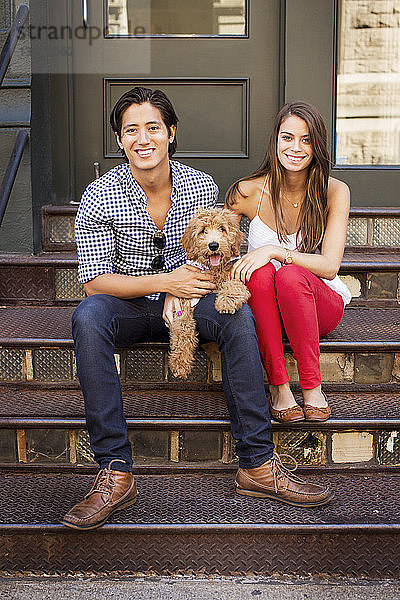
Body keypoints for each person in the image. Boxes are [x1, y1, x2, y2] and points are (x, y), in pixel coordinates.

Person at [61, 89, 333, 531]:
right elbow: (95, 283)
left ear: (171, 133)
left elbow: (219, 257)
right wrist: (166, 284)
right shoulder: (99, 196)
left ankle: (258, 464)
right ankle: (115, 471)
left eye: (153, 128)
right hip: (129, 304)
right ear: (120, 139)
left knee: (237, 316)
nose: (143, 139)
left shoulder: (199, 185)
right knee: (87, 318)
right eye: (132, 130)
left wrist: (185, 291)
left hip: (195, 300)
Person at [227, 101, 351, 424]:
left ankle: (312, 388)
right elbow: (217, 243)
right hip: (266, 309)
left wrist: (273, 251)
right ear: (276, 140)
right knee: (260, 275)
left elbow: (330, 266)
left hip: (318, 304)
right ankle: (280, 388)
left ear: (317, 146)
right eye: (287, 138)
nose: (295, 148)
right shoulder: (248, 192)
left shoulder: (334, 191)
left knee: (290, 276)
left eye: (306, 140)